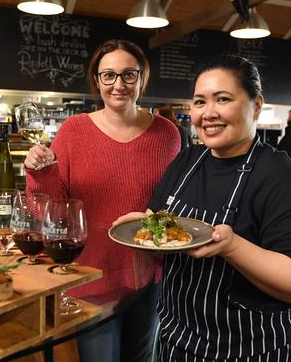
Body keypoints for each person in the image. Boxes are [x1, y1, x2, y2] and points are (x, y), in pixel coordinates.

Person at [115, 55, 291, 361]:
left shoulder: (283, 178)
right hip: (180, 342)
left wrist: (231, 247)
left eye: (223, 99)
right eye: (200, 102)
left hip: (253, 348)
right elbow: (162, 237)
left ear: (256, 105)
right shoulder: (187, 162)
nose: (208, 113)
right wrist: (146, 230)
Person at [24, 39, 180, 362]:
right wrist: (38, 172)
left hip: (149, 278)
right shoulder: (74, 130)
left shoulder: (168, 134)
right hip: (92, 276)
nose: (118, 84)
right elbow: (51, 211)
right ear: (97, 80)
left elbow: (176, 203)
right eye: (108, 75)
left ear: (142, 78)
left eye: (128, 75)